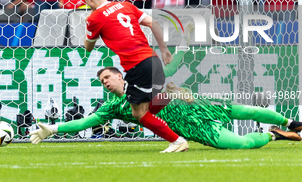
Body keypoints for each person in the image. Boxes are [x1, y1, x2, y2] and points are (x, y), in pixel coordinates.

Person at [30, 65, 302, 149]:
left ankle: (291, 123)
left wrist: (178, 90)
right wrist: (53, 128)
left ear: (119, 76)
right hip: (193, 128)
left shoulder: (143, 81)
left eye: (107, 78)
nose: (105, 83)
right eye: (101, 81)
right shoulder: (113, 107)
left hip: (199, 107)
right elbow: (83, 123)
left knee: (250, 110)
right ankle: (273, 135)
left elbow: (172, 86)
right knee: (241, 145)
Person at [81, 0, 191, 153]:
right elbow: (153, 23)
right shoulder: (125, 5)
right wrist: (164, 50)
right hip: (153, 60)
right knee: (147, 106)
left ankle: (177, 141)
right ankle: (170, 95)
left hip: (137, 65)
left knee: (138, 114)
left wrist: (88, 25)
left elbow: (88, 48)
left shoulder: (94, 18)